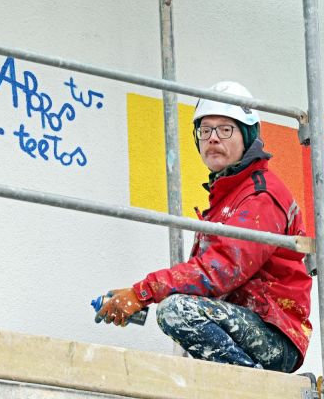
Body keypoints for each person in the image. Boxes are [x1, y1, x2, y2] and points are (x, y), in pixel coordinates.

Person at [95, 81, 312, 373]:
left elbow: (221, 269)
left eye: (225, 129)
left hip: (275, 334)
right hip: (247, 324)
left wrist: (142, 293)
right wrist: (141, 297)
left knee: (176, 312)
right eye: (205, 130)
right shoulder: (229, 195)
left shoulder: (260, 195)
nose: (212, 138)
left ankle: (256, 390)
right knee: (179, 305)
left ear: (248, 136)